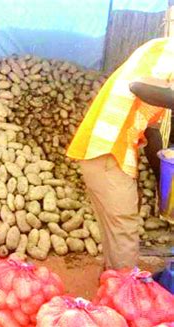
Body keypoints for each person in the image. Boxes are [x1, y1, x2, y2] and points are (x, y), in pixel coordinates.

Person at [66, 37, 174, 270]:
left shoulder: (159, 57)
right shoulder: (168, 51)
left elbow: (153, 133)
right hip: (106, 151)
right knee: (124, 230)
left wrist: (162, 184)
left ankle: (111, 289)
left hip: (103, 153)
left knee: (114, 233)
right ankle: (125, 293)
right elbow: (139, 86)